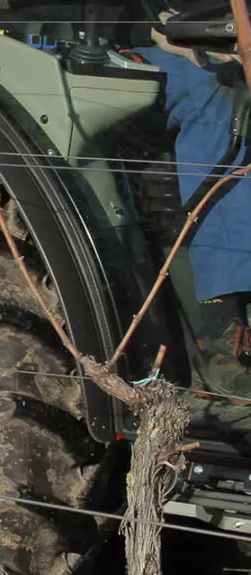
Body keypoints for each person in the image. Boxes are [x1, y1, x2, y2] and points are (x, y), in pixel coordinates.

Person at [134, 12, 251, 396]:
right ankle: (220, 333)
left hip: (220, 36)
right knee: (223, 95)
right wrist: (157, 25)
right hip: (109, 40)